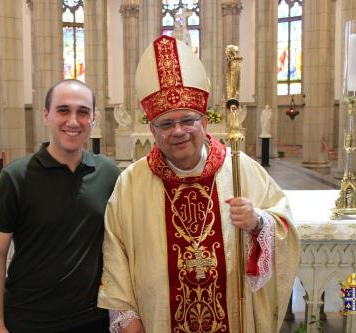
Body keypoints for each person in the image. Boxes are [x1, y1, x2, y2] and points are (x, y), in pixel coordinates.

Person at [98, 35, 300, 333]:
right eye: (166, 123)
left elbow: (285, 228)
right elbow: (116, 260)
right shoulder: (131, 184)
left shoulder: (240, 170)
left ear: (204, 121)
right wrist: (129, 323)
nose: (178, 131)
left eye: (187, 120)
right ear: (152, 130)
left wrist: (259, 223)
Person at [0, 79, 120, 333]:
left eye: (83, 112)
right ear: (46, 115)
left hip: (93, 320)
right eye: (63, 110)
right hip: (30, 320)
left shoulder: (108, 174)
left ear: (94, 119)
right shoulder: (16, 177)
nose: (73, 121)